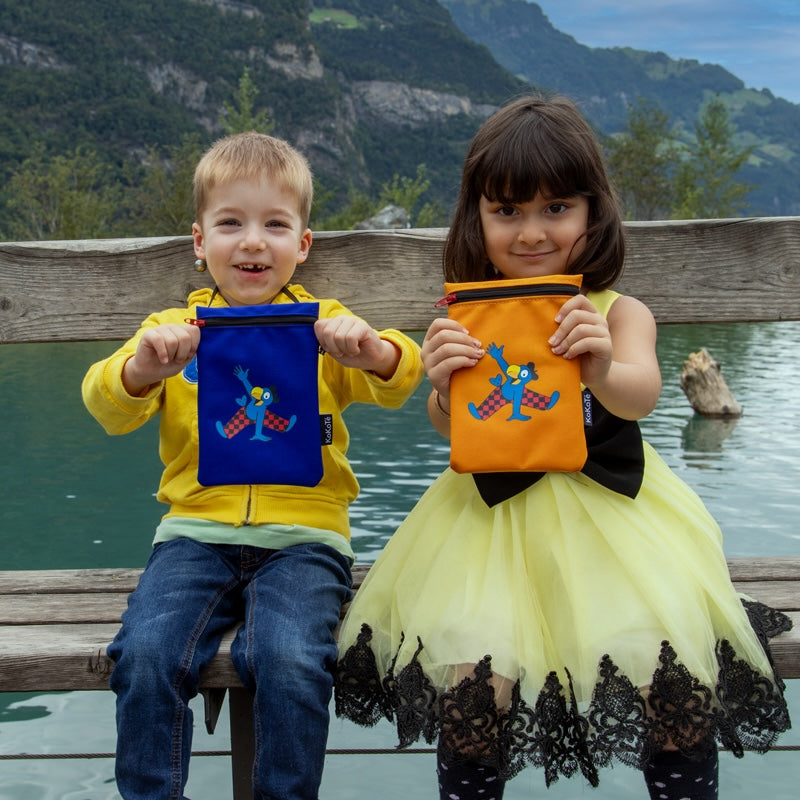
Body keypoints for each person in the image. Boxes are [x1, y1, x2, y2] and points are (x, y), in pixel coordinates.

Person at [334, 95, 791, 800]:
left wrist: (601, 364)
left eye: (557, 209)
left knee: (666, 677)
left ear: (592, 214)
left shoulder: (617, 310)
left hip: (616, 525)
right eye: (507, 211)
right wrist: (445, 383)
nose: (531, 232)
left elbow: (639, 395)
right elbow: (450, 428)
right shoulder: (466, 315)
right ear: (477, 219)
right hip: (484, 530)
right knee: (475, 690)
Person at [82, 131, 424, 799]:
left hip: (305, 542)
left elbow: (399, 378)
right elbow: (105, 404)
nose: (252, 242)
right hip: (193, 537)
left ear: (303, 244)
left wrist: (372, 350)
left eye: (275, 224)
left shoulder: (323, 325)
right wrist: (141, 367)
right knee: (147, 655)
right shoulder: (175, 329)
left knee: (290, 658)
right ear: (199, 241)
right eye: (230, 223)